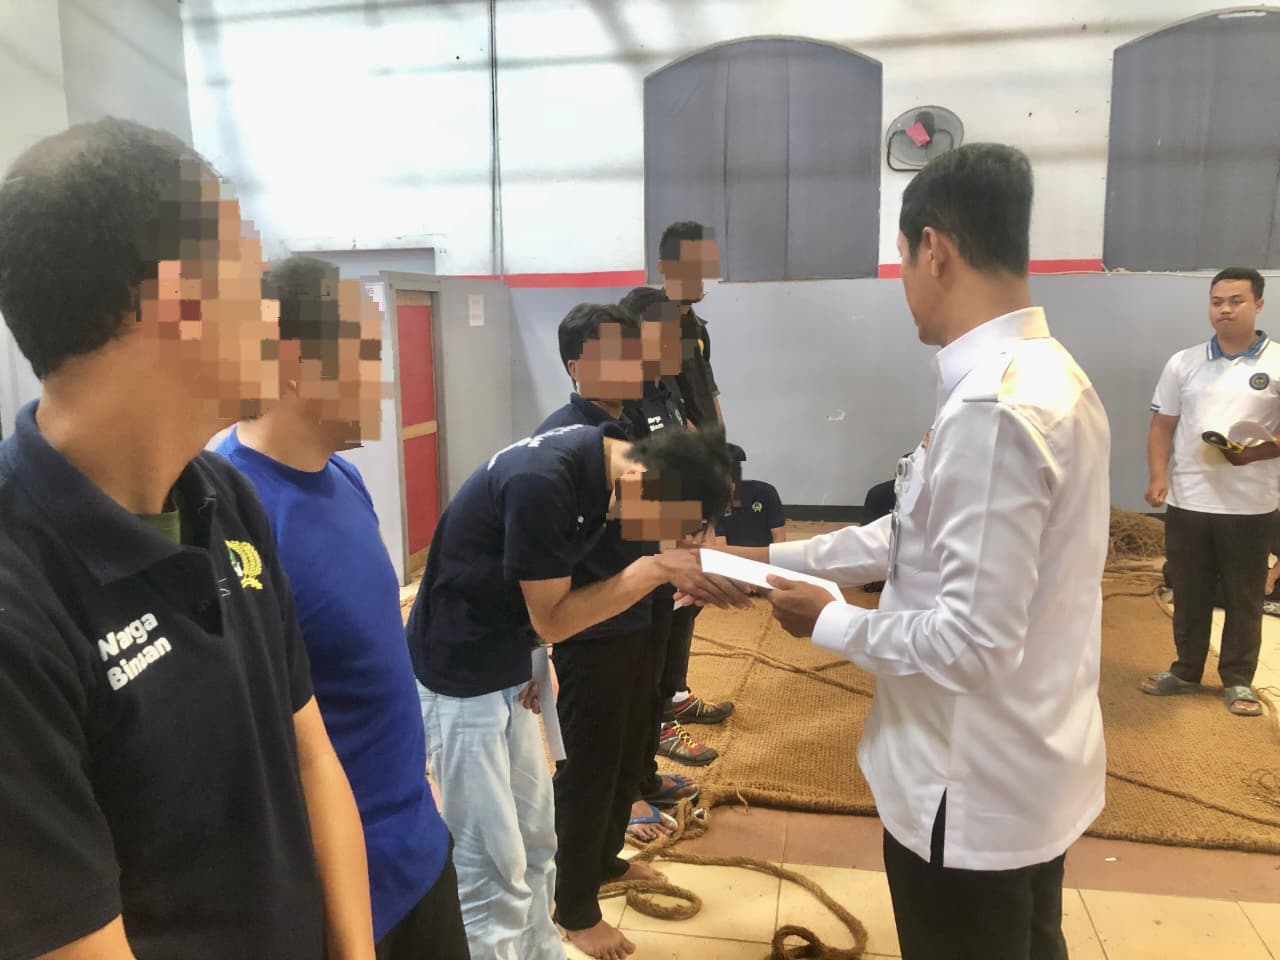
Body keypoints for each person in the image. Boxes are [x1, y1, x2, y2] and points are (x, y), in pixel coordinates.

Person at [722, 144, 1111, 960]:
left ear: (934, 250)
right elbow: (909, 535)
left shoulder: (994, 411)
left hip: (965, 789)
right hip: (1027, 765)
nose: (902, 283)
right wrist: (767, 562)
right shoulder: (1046, 376)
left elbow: (972, 645)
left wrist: (830, 623)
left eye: (900, 260)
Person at [0, 119, 374, 958]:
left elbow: (309, 755)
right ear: (179, 302)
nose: (272, 315)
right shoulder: (19, 602)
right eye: (251, 277)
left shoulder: (224, 498)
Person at [405, 418, 744, 960]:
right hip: (460, 676)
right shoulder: (541, 482)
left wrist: (534, 659)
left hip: (507, 659)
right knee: (489, 858)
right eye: (664, 522)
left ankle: (541, 950)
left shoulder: (602, 458)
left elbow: (532, 585)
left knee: (537, 840)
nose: (654, 536)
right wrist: (655, 568)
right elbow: (555, 620)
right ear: (642, 478)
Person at [217, 256, 468, 959]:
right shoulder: (235, 517)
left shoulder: (343, 478)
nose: (382, 382)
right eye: (367, 353)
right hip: (349, 891)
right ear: (297, 363)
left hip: (419, 849)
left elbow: (370, 654)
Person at [533, 302, 690, 960]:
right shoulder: (565, 442)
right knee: (590, 767)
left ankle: (602, 861)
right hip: (593, 628)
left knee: (629, 750)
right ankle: (573, 908)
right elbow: (542, 562)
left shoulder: (627, 426)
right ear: (576, 366)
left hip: (643, 611)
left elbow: (648, 516)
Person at [1141, 267, 1279, 718]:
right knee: (1189, 590)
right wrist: (1158, 477)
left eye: (1236, 301)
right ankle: (1185, 670)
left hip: (1251, 505)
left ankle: (1238, 679)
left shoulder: (1277, 363)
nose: (1225, 309)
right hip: (1188, 501)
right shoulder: (1183, 363)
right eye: (1217, 301)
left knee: (1244, 597)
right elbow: (1162, 427)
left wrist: (1255, 454)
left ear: (1258, 304)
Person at [616, 284, 734, 768]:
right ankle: (657, 720)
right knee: (653, 626)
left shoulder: (665, 387)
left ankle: (675, 693)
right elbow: (630, 484)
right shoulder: (622, 398)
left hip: (680, 527)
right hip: (646, 542)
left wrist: (704, 518)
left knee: (685, 608)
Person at [657, 221, 723, 430]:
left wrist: (720, 441)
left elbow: (710, 393)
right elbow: (665, 407)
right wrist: (701, 447)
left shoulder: (698, 328)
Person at [714, 444, 786, 547]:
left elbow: (779, 538)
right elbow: (721, 546)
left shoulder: (765, 492)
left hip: (765, 554)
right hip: (732, 555)